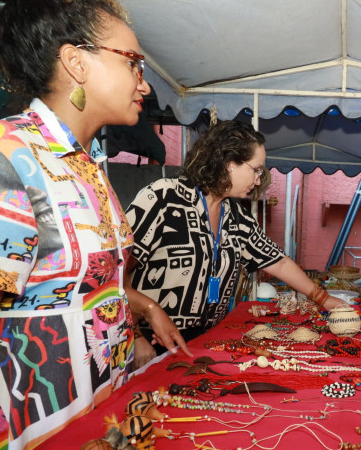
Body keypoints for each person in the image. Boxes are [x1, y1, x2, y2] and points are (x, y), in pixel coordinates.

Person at [0, 0, 190, 450]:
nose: (144, 82)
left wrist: (139, 313)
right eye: (132, 61)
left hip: (90, 431)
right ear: (76, 62)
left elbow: (79, 283)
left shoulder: (85, 166)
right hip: (24, 446)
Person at [126, 120, 346, 364]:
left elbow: (278, 262)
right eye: (256, 169)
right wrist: (136, 335)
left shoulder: (236, 216)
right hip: (152, 341)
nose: (259, 179)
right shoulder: (163, 198)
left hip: (204, 343)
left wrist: (325, 300)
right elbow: (116, 271)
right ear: (230, 163)